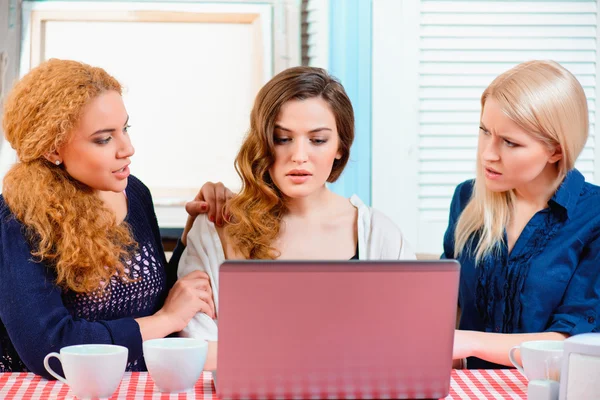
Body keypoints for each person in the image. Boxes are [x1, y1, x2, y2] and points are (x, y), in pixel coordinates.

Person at [177, 66, 416, 369]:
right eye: (282, 138)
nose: (299, 156)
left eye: (317, 140)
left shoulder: (379, 234)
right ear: (262, 142)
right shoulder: (218, 227)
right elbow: (195, 349)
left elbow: (408, 341)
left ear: (340, 147)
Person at [0, 59, 213, 378]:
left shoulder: (135, 193)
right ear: (52, 148)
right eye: (103, 139)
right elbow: (50, 348)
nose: (128, 148)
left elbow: (148, 295)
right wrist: (167, 321)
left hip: (133, 384)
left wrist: (190, 236)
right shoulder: (20, 218)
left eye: (125, 128)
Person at [445, 60, 600, 369]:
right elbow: (445, 302)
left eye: (510, 142)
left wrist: (469, 341)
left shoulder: (593, 216)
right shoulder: (467, 198)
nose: (488, 153)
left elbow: (572, 342)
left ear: (556, 150)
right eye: (484, 131)